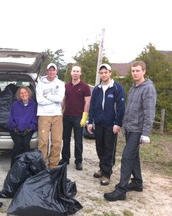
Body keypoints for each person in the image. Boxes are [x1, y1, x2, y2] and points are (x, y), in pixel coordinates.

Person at [104, 61, 157, 201]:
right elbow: (129, 109)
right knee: (134, 156)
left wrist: (146, 133)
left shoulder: (148, 88)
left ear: (144, 71)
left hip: (138, 130)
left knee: (127, 157)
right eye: (133, 71)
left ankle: (121, 190)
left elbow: (149, 112)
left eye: (137, 71)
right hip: (129, 128)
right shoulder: (134, 87)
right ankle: (138, 182)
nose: (135, 73)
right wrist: (122, 124)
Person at [87, 63, 126, 185]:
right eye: (101, 73)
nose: (104, 75)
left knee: (109, 149)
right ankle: (102, 168)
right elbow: (92, 106)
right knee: (100, 147)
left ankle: (106, 174)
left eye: (106, 72)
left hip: (111, 124)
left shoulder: (117, 88)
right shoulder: (97, 89)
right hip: (98, 123)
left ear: (110, 73)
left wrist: (117, 123)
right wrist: (90, 121)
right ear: (99, 74)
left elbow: (120, 108)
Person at [59, 64, 91, 170]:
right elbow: (64, 100)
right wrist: (59, 111)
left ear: (80, 73)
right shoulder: (66, 86)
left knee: (78, 140)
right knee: (66, 139)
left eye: (78, 71)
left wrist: (84, 117)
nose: (75, 73)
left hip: (79, 117)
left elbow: (87, 102)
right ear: (71, 73)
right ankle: (65, 159)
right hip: (67, 116)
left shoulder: (85, 87)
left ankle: (78, 161)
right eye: (74, 71)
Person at [36, 63, 65, 169]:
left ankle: (54, 164)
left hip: (57, 115)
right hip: (44, 115)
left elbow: (60, 99)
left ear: (56, 72)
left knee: (56, 141)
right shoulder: (40, 83)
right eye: (50, 70)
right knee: (43, 141)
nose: (51, 72)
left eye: (53, 70)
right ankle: (42, 164)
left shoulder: (60, 83)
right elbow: (39, 100)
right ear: (47, 71)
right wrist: (54, 98)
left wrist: (47, 95)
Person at [8, 86, 38, 167]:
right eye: (21, 93)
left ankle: (27, 166)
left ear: (29, 93)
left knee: (25, 143)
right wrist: (14, 128)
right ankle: (13, 166)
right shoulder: (15, 104)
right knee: (18, 143)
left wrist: (30, 128)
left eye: (25, 92)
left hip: (28, 129)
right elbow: (11, 118)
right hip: (15, 129)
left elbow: (35, 120)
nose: (24, 94)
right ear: (19, 95)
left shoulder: (34, 105)